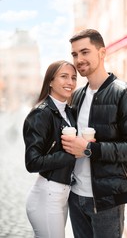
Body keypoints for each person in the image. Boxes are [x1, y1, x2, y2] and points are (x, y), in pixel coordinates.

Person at [61, 29, 127, 238]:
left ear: (102, 53)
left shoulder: (125, 93)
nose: (79, 59)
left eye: (85, 52)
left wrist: (91, 149)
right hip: (75, 196)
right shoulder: (77, 96)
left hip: (107, 200)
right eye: (74, 54)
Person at [23, 60, 77, 238]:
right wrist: (71, 155)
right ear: (51, 81)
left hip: (62, 194)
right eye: (64, 76)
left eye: (73, 77)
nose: (70, 82)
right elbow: (32, 162)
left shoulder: (68, 111)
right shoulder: (41, 113)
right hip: (47, 195)